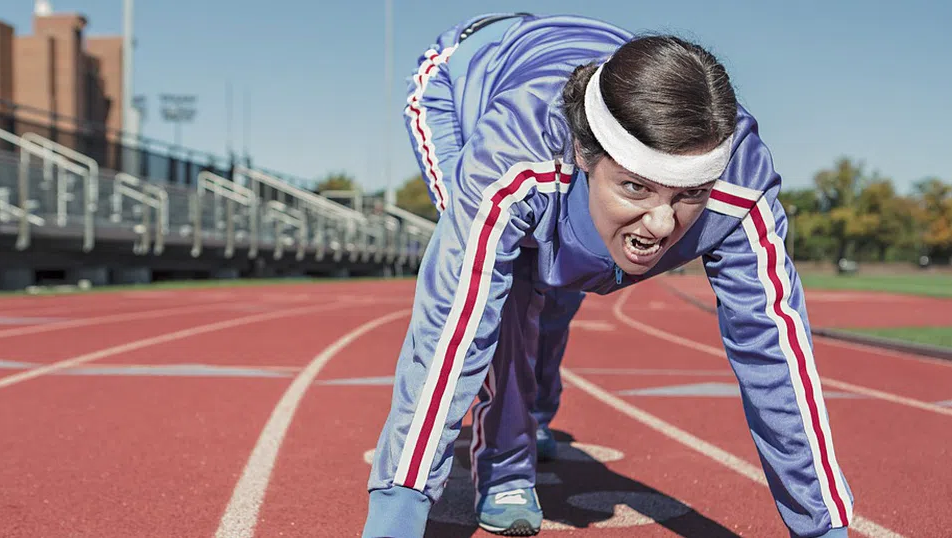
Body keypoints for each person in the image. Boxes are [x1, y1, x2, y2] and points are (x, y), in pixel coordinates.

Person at [363, 12, 853, 538]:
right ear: (585, 155)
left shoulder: (741, 184)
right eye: (637, 188)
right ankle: (506, 464)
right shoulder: (510, 156)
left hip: (584, 78)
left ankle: (535, 412)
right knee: (504, 289)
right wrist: (397, 510)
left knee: (568, 283)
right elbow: (451, 330)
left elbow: (774, 351)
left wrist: (824, 527)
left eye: (688, 194)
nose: (664, 224)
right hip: (463, 82)